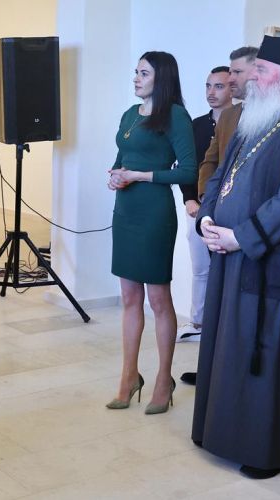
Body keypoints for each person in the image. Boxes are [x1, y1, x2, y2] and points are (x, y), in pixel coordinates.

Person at [191, 35, 280, 480]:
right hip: (232, 255)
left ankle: (265, 450)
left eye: (263, 70)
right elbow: (220, 175)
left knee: (266, 357)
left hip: (272, 261)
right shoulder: (255, 117)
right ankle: (221, 433)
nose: (253, 77)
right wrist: (207, 218)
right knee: (227, 347)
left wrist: (242, 236)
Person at [105, 51, 198, 415]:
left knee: (158, 299)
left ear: (162, 78)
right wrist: (116, 174)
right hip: (126, 210)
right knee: (129, 297)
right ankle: (129, 376)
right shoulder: (130, 114)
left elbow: (188, 171)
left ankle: (163, 379)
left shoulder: (175, 116)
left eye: (143, 73)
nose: (136, 78)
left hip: (155, 212)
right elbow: (122, 156)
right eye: (136, 72)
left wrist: (139, 176)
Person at [179, 45, 258, 386]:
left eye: (236, 73)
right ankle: (214, 366)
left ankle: (240, 373)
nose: (232, 79)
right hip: (216, 218)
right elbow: (209, 163)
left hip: (253, 226)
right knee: (216, 288)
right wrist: (205, 207)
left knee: (243, 302)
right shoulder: (228, 118)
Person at [177, 65, 232, 343]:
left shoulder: (243, 123)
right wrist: (189, 198)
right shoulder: (196, 125)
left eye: (218, 86)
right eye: (208, 86)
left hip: (229, 208)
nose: (211, 92)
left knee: (227, 269)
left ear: (232, 88)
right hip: (198, 207)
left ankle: (223, 325)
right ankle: (198, 322)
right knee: (201, 267)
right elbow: (187, 165)